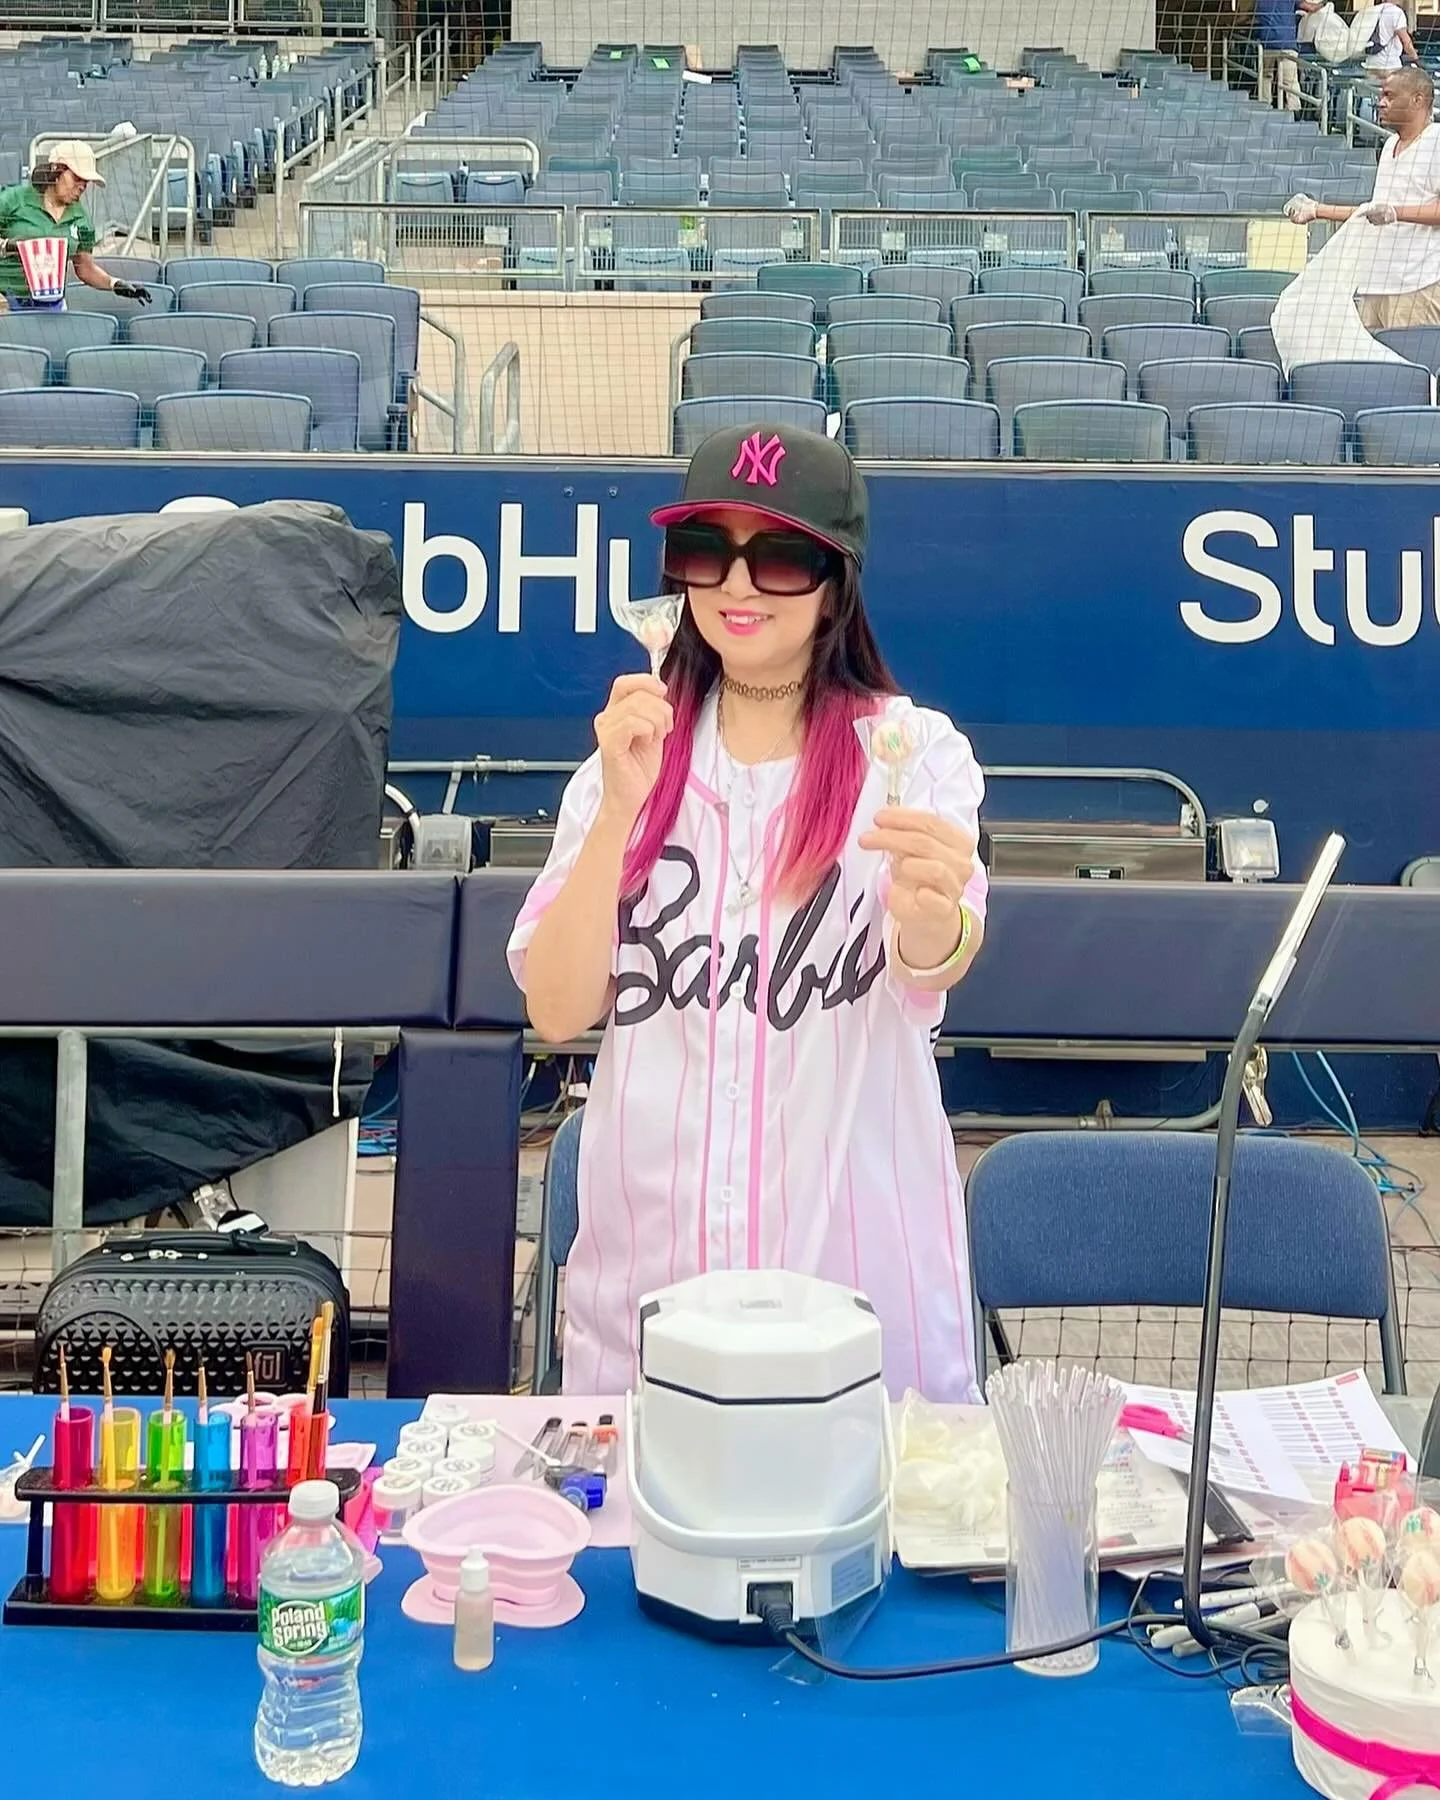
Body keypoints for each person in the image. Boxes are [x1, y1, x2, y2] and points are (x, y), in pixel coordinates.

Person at [508, 425, 989, 1402]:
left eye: (776, 556)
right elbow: (556, 1009)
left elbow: (932, 959)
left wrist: (934, 909)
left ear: (834, 578)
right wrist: (617, 812)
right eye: (703, 552)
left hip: (853, 1275)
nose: (736, 585)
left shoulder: (913, 751)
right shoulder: (624, 761)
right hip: (654, 1275)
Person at [1286, 66, 1440, 330]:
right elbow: (1376, 212)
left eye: (1390, 96)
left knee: (1413, 369)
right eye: (1381, 95)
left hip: (1416, 286)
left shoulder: (1436, 141)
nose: (1380, 103)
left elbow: (1391, 212)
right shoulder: (1391, 144)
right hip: (1376, 284)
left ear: (1418, 100)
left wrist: (1395, 213)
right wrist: (1316, 210)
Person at [0, 141, 152, 314]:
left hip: (51, 305)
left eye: (86, 182)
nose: (82, 187)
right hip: (6, 299)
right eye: (77, 178)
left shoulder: (81, 220)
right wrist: (7, 246)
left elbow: (86, 269)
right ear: (56, 170)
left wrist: (115, 284)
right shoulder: (13, 200)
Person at [1363, 0, 1418, 72]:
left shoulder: (1374, 11)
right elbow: (1406, 42)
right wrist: (1416, 58)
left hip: (1371, 63)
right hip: (1390, 65)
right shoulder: (1397, 12)